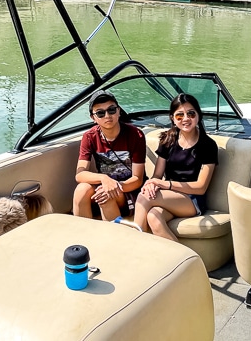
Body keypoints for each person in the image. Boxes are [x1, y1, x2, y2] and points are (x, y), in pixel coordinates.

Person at [133, 93, 218, 241]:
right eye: (179, 116)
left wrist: (163, 184)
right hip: (169, 196)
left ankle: (135, 244)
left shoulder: (208, 145)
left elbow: (201, 187)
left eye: (191, 113)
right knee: (154, 217)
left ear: (198, 115)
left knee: (143, 196)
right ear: (172, 118)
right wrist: (152, 184)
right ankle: (185, 260)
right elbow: (157, 175)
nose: (186, 119)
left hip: (192, 200)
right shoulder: (168, 139)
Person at [73, 90, 146, 221]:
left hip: (129, 189)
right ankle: (82, 236)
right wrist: (104, 179)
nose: (107, 116)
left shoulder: (135, 135)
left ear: (118, 111)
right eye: (100, 113)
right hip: (105, 186)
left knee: (106, 195)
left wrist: (114, 187)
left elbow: (137, 179)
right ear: (93, 118)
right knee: (81, 190)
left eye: (111, 110)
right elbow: (80, 174)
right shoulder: (89, 137)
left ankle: (114, 239)